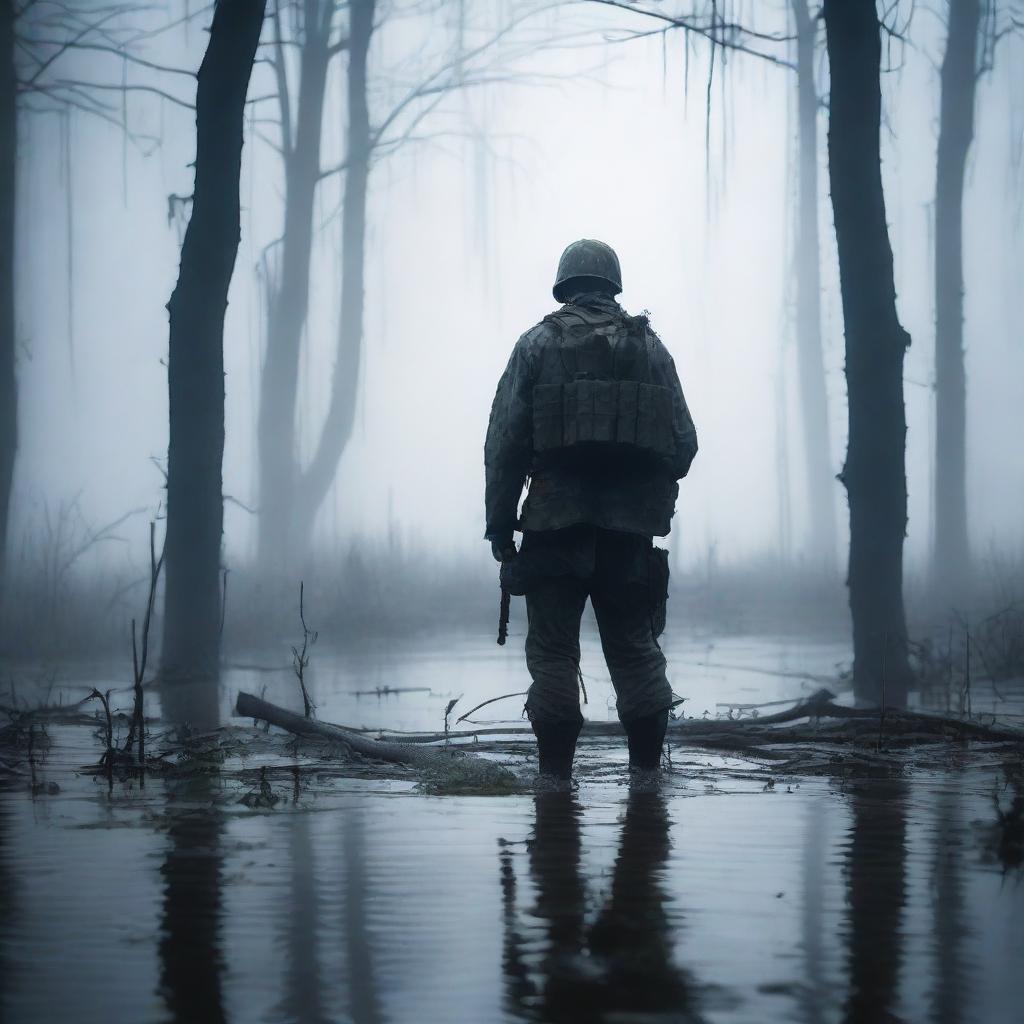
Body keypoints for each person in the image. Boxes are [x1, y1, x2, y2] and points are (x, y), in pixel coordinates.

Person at [484, 238, 698, 780]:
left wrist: (500, 530)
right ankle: (648, 784)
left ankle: (553, 788)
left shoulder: (536, 344)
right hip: (629, 537)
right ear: (613, 285)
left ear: (565, 285)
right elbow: (684, 444)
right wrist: (638, 486)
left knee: (554, 656)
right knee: (634, 651)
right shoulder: (651, 349)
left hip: (554, 528)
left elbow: (505, 444)